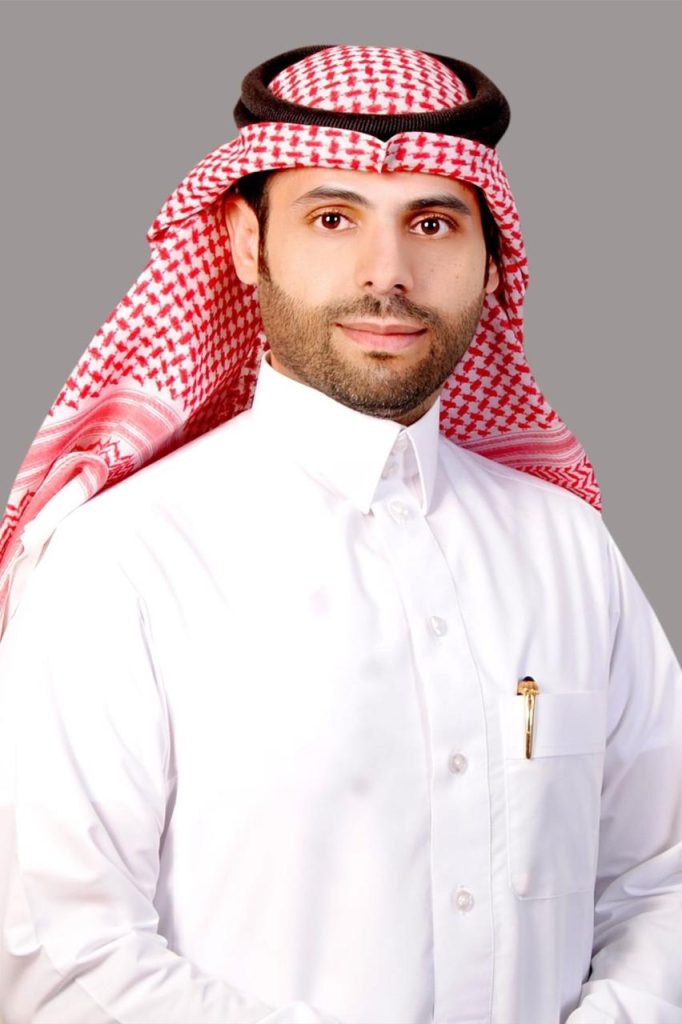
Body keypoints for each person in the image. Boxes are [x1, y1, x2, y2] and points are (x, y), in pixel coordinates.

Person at [0, 43, 680, 1024]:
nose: (387, 273)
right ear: (246, 243)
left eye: (433, 223)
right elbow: (58, 957)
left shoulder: (569, 549)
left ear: (491, 259)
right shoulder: (123, 563)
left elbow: (661, 877)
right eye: (332, 218)